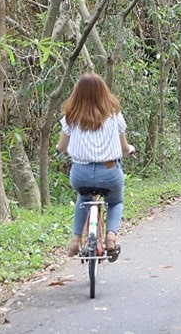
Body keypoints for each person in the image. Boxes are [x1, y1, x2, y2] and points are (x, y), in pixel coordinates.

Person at [56, 72, 135, 262]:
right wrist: (130, 149)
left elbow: (61, 147)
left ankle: (75, 239)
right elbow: (124, 148)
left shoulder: (71, 118)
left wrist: (60, 150)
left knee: (83, 197)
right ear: (103, 92)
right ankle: (111, 237)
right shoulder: (114, 116)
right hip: (109, 171)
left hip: (80, 173)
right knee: (115, 202)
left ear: (77, 94)